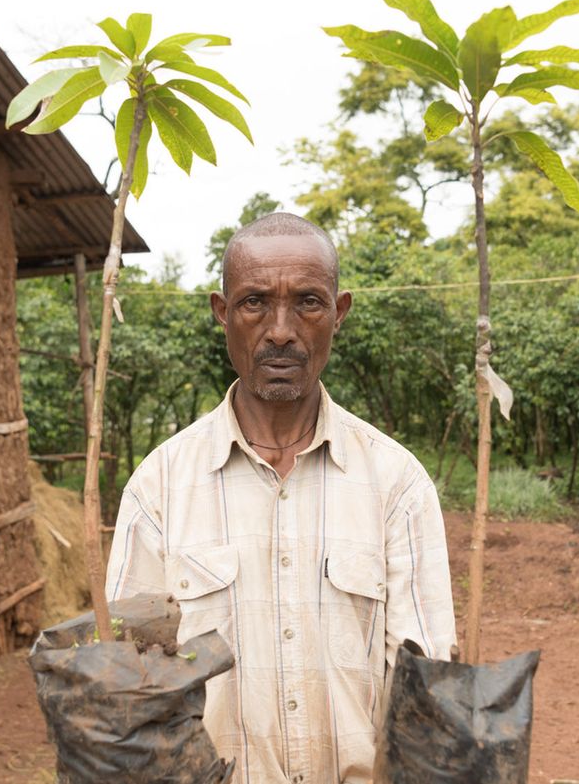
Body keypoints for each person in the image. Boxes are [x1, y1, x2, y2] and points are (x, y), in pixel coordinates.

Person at [104, 212, 455, 783]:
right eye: (255, 303)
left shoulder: (397, 484)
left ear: (339, 313)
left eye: (308, 303)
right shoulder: (159, 487)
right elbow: (133, 686)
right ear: (223, 313)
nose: (281, 331)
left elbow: (427, 692)